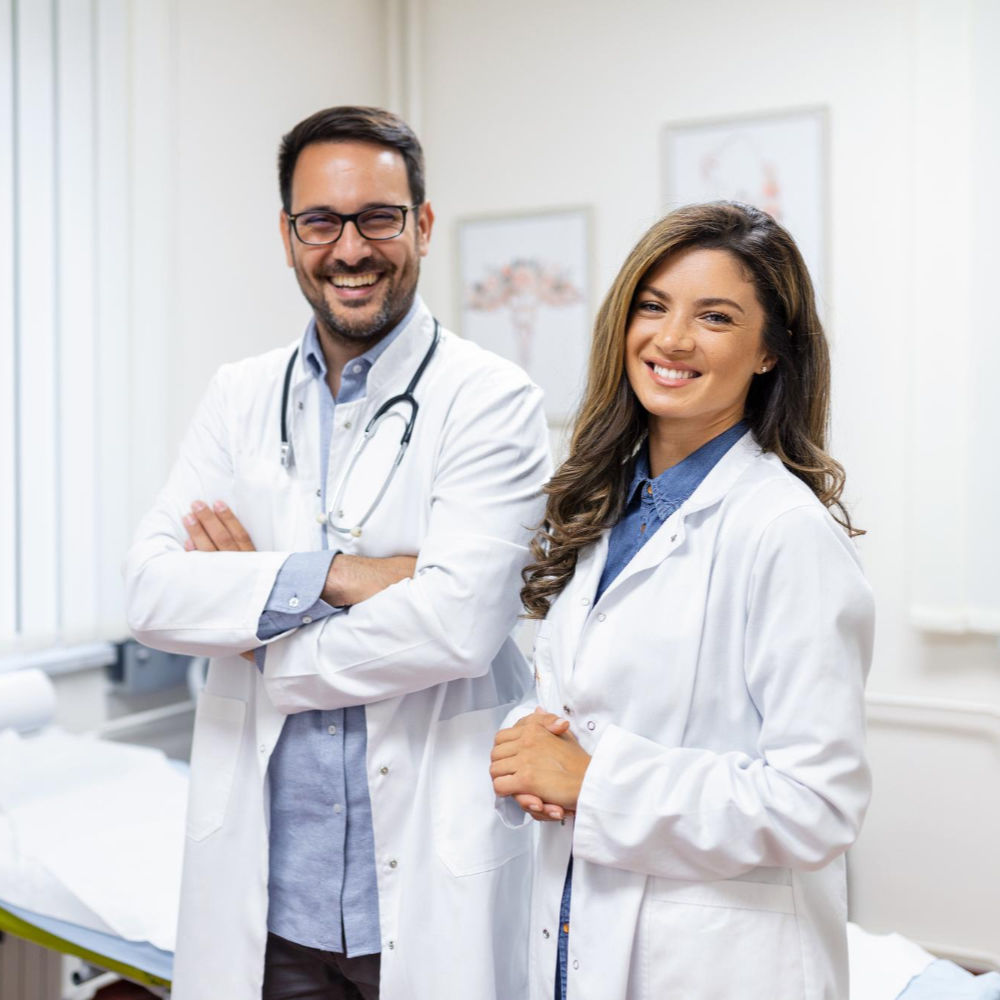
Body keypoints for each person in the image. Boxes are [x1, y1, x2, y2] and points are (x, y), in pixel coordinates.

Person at [124, 106, 550, 1000]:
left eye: (378, 219)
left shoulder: (491, 399)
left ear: (422, 226)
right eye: (320, 222)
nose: (349, 249)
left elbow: (458, 628)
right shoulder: (237, 396)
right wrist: (341, 576)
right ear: (288, 237)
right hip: (271, 896)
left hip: (424, 891)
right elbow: (153, 592)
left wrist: (256, 624)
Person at [490, 201, 874, 1000]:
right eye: (654, 306)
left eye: (716, 316)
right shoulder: (607, 507)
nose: (671, 339)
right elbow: (597, 705)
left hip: (717, 965)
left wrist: (592, 781)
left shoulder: (783, 532)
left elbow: (816, 805)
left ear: (770, 352)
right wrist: (530, 745)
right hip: (575, 935)